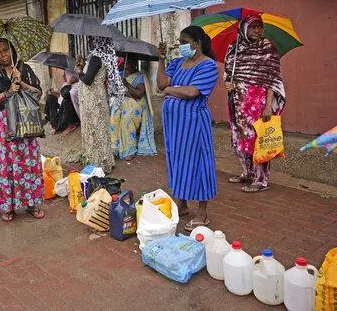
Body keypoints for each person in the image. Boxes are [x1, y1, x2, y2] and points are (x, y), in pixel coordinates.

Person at [156, 25, 219, 231]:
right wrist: (161, 59)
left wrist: (168, 90)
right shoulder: (177, 63)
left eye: (184, 42)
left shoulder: (208, 66)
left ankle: (203, 213)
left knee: (199, 163)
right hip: (174, 126)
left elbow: (192, 92)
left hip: (194, 123)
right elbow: (161, 83)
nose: (181, 46)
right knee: (177, 160)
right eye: (180, 42)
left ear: (197, 43)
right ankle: (181, 204)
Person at [0, 38, 45, 222]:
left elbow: (38, 94)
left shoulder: (24, 68)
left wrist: (21, 83)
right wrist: (7, 93)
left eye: (5, 50)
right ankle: (7, 207)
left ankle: (31, 204)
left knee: (27, 163)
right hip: (2, 126)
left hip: (24, 122)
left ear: (11, 50)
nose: (3, 55)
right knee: (4, 165)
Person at [224, 14, 285, 193]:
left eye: (260, 27)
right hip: (237, 100)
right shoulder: (234, 48)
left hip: (258, 100)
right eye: (253, 27)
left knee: (258, 139)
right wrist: (229, 83)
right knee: (239, 137)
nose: (257, 30)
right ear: (244, 29)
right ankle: (247, 172)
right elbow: (229, 72)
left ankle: (261, 180)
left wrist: (268, 106)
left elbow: (273, 78)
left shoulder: (267, 47)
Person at [75, 36, 124, 174]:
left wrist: (79, 71)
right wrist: (83, 65)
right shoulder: (101, 57)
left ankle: (98, 164)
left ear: (99, 41)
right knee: (100, 129)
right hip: (96, 98)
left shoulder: (96, 58)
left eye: (92, 40)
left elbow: (88, 80)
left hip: (93, 100)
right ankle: (104, 160)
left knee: (95, 130)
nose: (89, 42)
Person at [110, 56, 157, 160]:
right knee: (115, 112)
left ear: (134, 65)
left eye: (128, 66)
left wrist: (127, 84)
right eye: (125, 67)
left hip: (136, 102)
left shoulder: (140, 77)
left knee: (127, 117)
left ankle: (129, 150)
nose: (126, 69)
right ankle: (114, 147)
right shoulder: (121, 75)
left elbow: (139, 94)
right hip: (124, 101)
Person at [44, 70, 80, 135]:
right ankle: (52, 122)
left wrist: (69, 83)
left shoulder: (76, 86)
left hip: (68, 113)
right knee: (50, 98)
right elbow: (60, 96)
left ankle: (71, 125)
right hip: (61, 109)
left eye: (65, 75)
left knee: (66, 101)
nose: (63, 76)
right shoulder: (65, 84)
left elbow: (65, 95)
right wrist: (54, 94)